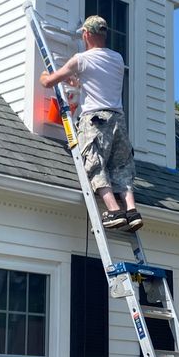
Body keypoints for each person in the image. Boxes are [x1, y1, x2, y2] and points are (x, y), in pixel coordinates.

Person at [39, 15, 142, 231]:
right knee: (122, 167)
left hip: (96, 120)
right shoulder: (117, 59)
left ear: (86, 34)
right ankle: (131, 211)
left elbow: (49, 82)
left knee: (94, 164)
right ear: (104, 34)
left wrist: (44, 77)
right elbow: (97, 81)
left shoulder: (81, 59)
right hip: (118, 120)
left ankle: (114, 210)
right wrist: (75, 82)